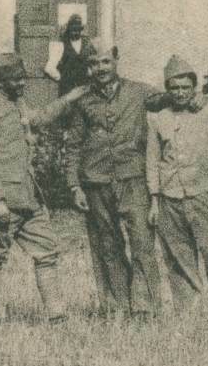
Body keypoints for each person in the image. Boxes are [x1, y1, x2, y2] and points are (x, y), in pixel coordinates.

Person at [50, 46, 156, 317]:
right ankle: (117, 306)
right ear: (89, 67)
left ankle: (145, 308)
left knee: (142, 243)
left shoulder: (140, 92)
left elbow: (174, 97)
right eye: (95, 63)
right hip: (95, 181)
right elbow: (73, 145)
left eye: (106, 61)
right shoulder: (84, 100)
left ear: (117, 61)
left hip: (133, 179)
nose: (101, 68)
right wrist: (74, 185)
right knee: (108, 245)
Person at [0, 51, 65, 321]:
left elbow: (39, 118)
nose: (22, 83)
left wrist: (72, 97)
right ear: (0, 81)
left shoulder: (18, 104)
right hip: (2, 203)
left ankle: (57, 316)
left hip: (28, 198)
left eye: (22, 77)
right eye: (16, 80)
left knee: (47, 251)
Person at [144, 54, 208, 320]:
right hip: (170, 198)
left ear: (194, 88)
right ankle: (189, 316)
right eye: (174, 88)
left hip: (205, 195)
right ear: (167, 89)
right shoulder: (158, 118)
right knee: (179, 260)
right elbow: (153, 160)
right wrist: (154, 199)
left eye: (186, 87)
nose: (181, 93)